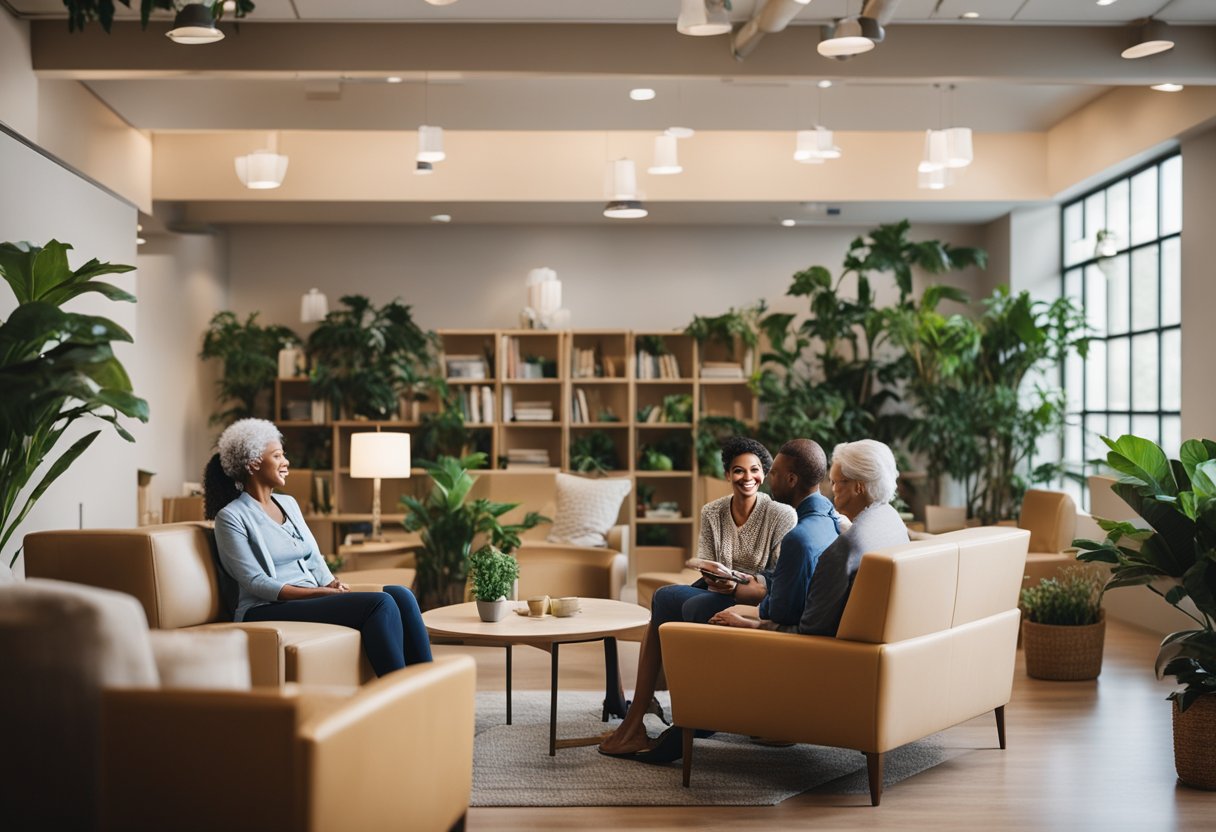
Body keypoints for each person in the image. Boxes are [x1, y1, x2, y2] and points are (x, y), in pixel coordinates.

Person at [600, 437, 833, 759]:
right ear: (727, 474)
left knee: (683, 604)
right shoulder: (713, 511)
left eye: (758, 471)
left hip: (755, 592)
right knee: (665, 598)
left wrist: (744, 584)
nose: (748, 477)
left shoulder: (784, 517)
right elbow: (705, 559)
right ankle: (647, 713)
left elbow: (779, 577)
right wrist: (717, 577)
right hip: (721, 587)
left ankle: (684, 714)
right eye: (738, 470)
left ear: (767, 475)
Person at [204, 418, 432, 677]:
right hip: (264, 608)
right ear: (254, 462)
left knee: (401, 594)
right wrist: (319, 594)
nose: (286, 462)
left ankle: (426, 687)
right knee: (379, 604)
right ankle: (398, 694)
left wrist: (331, 583)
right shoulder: (231, 517)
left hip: (310, 596)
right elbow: (256, 582)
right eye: (277, 455)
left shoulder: (288, 503)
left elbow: (314, 556)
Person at [710, 438, 909, 636]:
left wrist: (751, 625)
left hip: (820, 654)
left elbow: (811, 631)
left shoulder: (845, 548)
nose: (832, 489)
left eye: (835, 482)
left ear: (859, 487)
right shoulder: (892, 520)